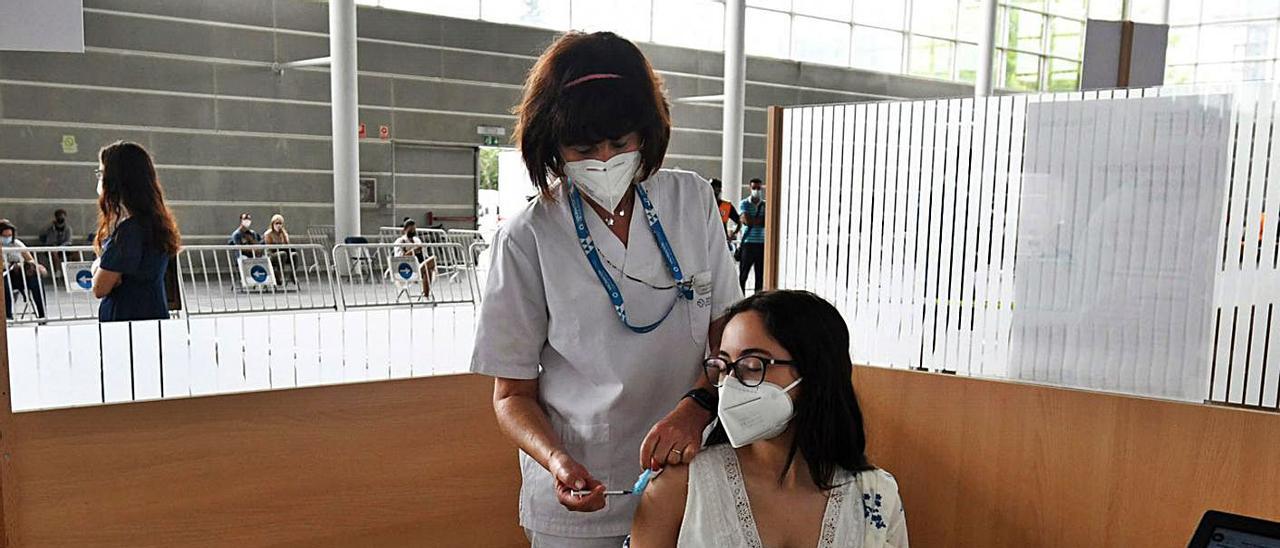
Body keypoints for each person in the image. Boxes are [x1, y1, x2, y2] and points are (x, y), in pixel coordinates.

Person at [470, 31, 741, 547]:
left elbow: (727, 337)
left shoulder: (691, 201)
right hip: (580, 493)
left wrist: (698, 406)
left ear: (647, 133)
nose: (603, 160)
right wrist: (556, 460)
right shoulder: (527, 237)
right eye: (583, 147)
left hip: (689, 475)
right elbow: (511, 396)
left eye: (620, 144)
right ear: (553, 144)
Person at [630, 290, 908, 547]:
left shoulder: (875, 496)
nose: (731, 384)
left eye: (752, 366)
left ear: (815, 373)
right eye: (724, 367)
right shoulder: (681, 488)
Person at [91, 141, 182, 322]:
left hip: (127, 325)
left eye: (102, 173)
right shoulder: (156, 224)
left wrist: (98, 265)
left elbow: (100, 288)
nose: (100, 180)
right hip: (152, 317)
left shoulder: (129, 232)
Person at [2, 222, 47, 320]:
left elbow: (30, 259)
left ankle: (42, 315)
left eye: (9, 235)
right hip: (4, 275)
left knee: (36, 281)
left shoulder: (17, 244)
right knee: (4, 285)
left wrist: (27, 265)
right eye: (4, 236)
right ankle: (8, 316)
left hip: (19, 274)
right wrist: (9, 265)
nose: (7, 238)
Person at [391, 218, 437, 298]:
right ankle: (420, 272)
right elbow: (399, 258)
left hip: (419, 263)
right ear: (404, 230)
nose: (413, 231)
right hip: (407, 268)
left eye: (414, 229)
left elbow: (425, 256)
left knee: (431, 263)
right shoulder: (400, 241)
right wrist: (414, 251)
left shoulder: (417, 240)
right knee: (427, 268)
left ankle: (426, 296)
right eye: (410, 229)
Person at [738, 178, 766, 292]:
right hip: (748, 244)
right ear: (750, 188)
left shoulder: (765, 204)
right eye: (754, 188)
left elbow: (766, 222)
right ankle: (741, 298)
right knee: (743, 275)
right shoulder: (744, 203)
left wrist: (753, 219)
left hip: (762, 244)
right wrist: (758, 220)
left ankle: (757, 300)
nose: (756, 190)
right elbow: (747, 221)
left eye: (758, 188)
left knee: (760, 276)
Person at [708, 179, 740, 251]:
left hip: (721, 241)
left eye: (714, 188)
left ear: (719, 190)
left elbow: (739, 221)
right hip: (706, 240)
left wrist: (733, 234)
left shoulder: (725, 206)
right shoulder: (704, 205)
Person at [262, 214, 294, 283]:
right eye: (276, 223)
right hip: (271, 254)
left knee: (294, 255)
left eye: (280, 223)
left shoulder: (283, 233)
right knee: (283, 254)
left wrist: (284, 236)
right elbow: (269, 246)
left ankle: (292, 274)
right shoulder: (268, 234)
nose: (278, 225)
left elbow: (287, 245)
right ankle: (279, 274)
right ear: (273, 224)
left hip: (283, 252)